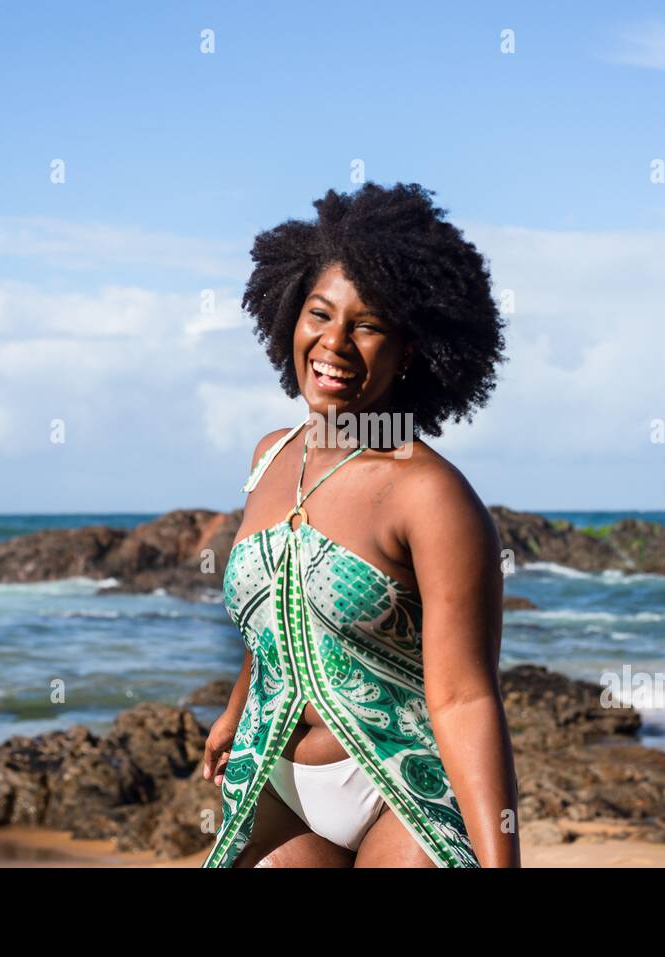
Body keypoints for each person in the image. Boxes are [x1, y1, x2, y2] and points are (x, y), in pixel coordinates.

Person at [200, 182, 518, 867]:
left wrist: (501, 864)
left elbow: (465, 696)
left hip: (408, 795)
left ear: (410, 349)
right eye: (320, 313)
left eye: (368, 324)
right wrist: (234, 709)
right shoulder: (270, 456)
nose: (335, 342)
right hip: (274, 781)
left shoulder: (428, 492)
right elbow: (277, 611)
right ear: (288, 312)